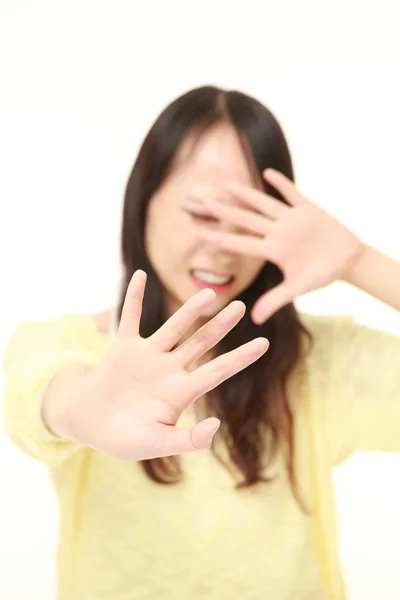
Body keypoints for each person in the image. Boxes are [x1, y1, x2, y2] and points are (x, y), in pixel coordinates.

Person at [3, 85, 400, 600]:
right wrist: (80, 411)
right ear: (143, 203)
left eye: (248, 222)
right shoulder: (68, 344)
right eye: (202, 214)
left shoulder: (316, 362)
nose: (223, 249)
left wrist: (359, 263)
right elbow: (41, 392)